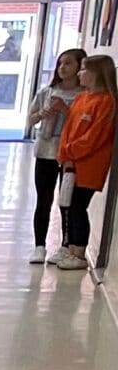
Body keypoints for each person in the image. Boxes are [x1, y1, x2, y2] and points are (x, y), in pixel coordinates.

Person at [53, 54, 117, 271]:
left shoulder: (107, 102)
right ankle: (69, 247)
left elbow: (94, 137)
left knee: (79, 206)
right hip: (70, 163)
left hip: (89, 165)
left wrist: (71, 151)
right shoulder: (82, 98)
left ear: (96, 74)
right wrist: (64, 153)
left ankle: (79, 252)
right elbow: (69, 129)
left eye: (83, 70)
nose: (80, 74)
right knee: (68, 205)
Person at [29, 47, 87, 264]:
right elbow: (30, 119)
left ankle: (65, 245)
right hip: (46, 152)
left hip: (70, 156)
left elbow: (83, 123)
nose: (63, 68)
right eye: (60, 63)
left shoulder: (84, 96)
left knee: (68, 201)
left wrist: (65, 110)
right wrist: (41, 114)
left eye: (68, 63)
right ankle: (39, 246)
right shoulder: (47, 92)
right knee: (43, 199)